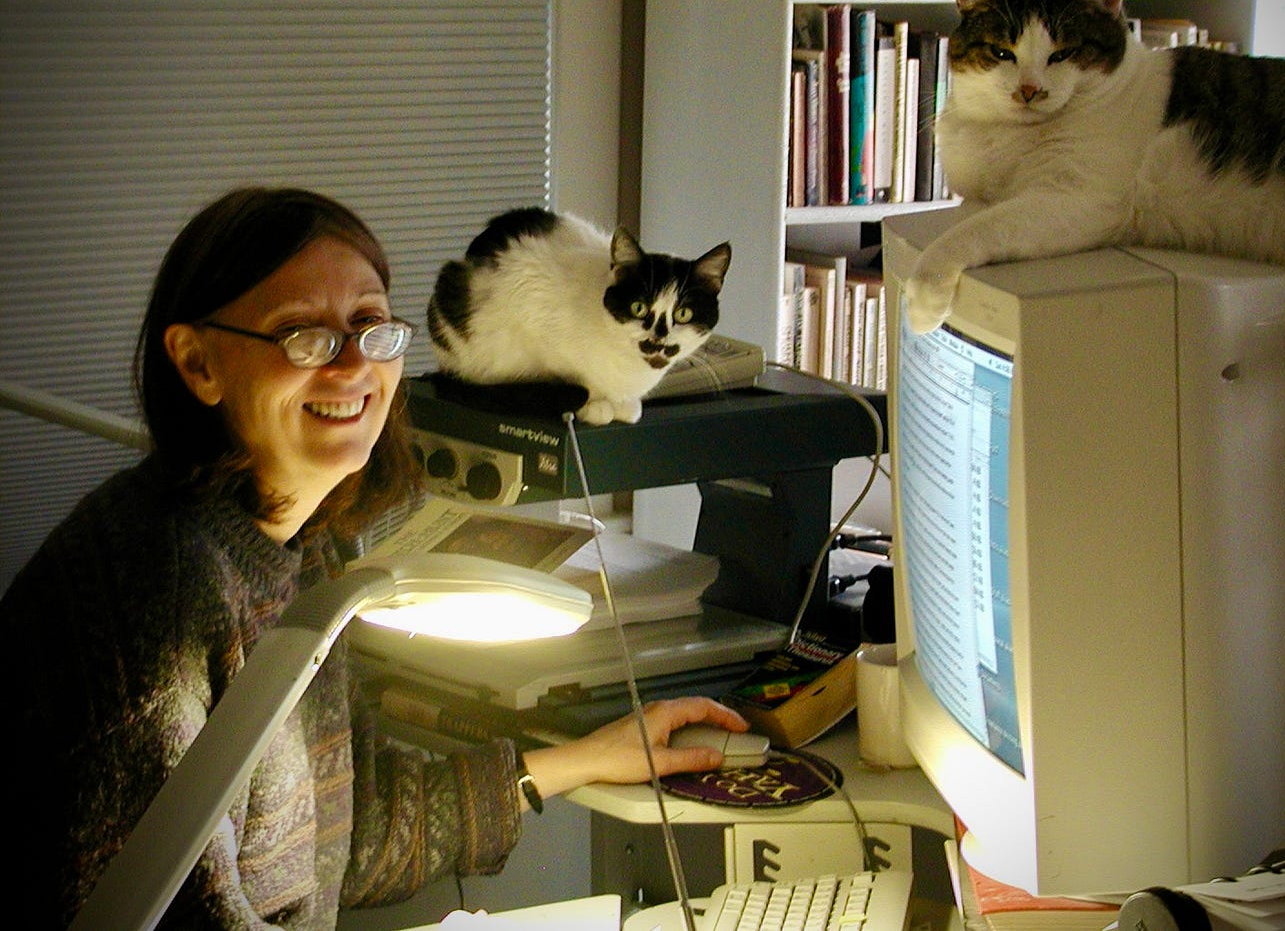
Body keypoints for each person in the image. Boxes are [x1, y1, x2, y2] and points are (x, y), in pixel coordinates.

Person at [0, 187, 749, 930]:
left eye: (368, 325)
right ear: (199, 364)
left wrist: (584, 759)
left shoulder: (308, 548)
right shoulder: (154, 592)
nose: (352, 365)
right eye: (301, 335)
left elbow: (348, 838)